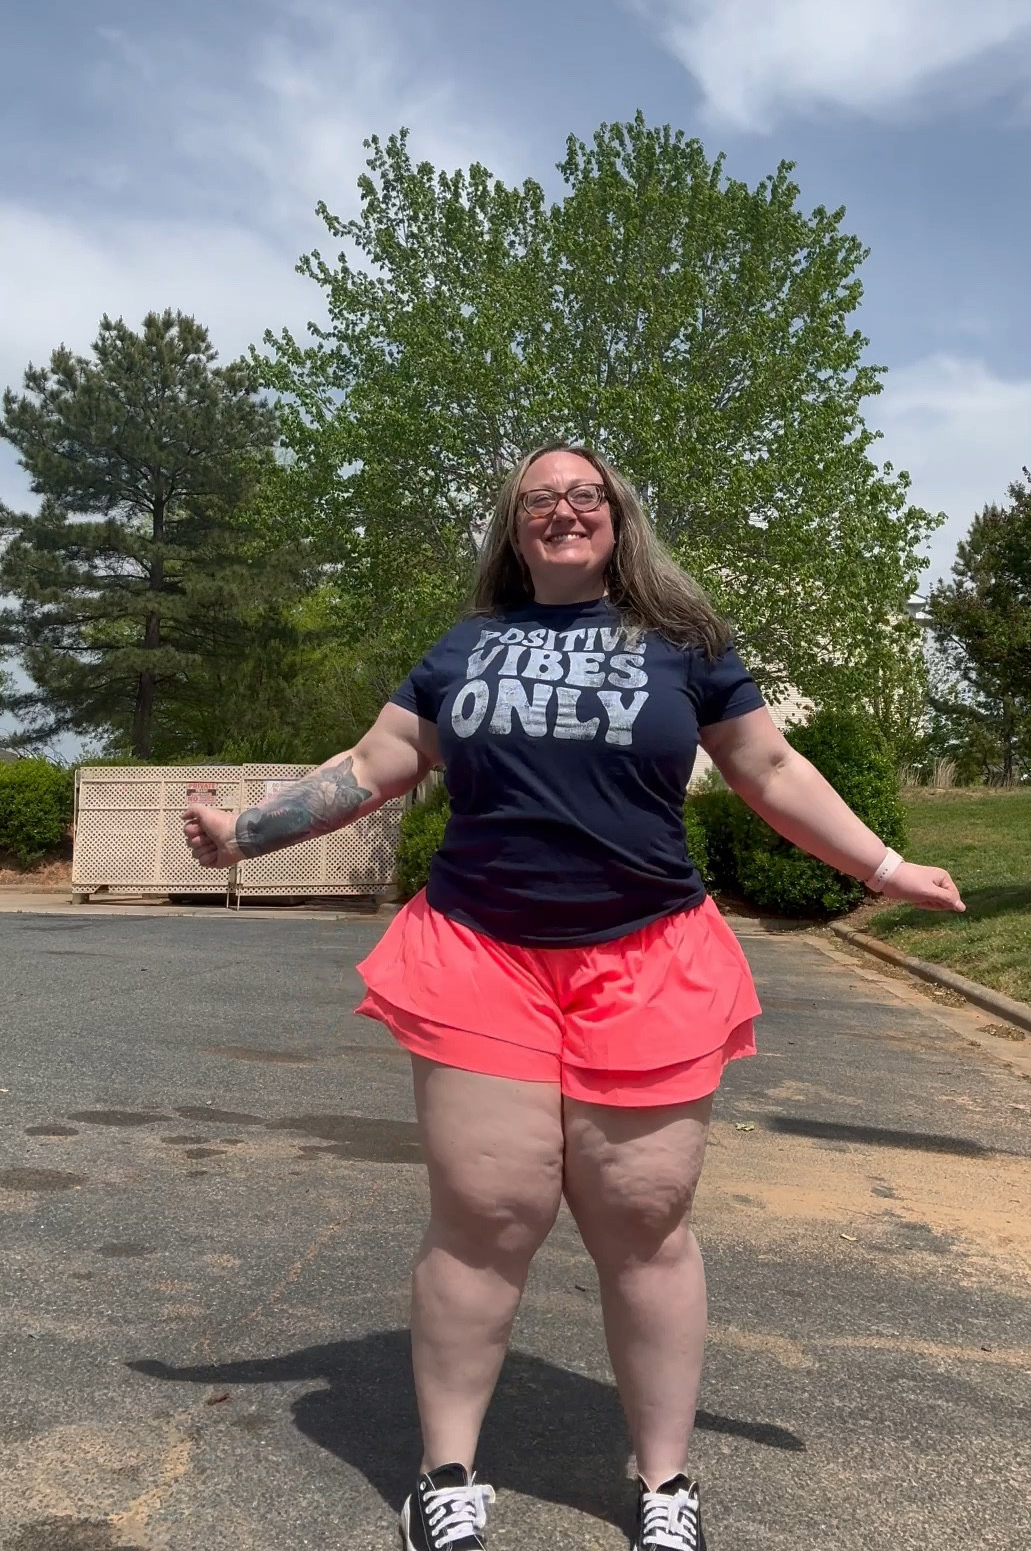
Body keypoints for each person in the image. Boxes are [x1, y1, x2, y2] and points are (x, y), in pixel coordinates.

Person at [184, 444, 964, 1551]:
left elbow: (772, 769)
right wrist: (246, 834)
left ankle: (664, 1484)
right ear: (514, 528)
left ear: (616, 517)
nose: (564, 509)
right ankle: (446, 1472)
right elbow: (375, 762)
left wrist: (883, 869)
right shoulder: (465, 648)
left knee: (645, 1221)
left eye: (584, 494)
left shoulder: (683, 646)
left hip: (646, 958)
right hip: (481, 955)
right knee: (488, 1218)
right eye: (539, 498)